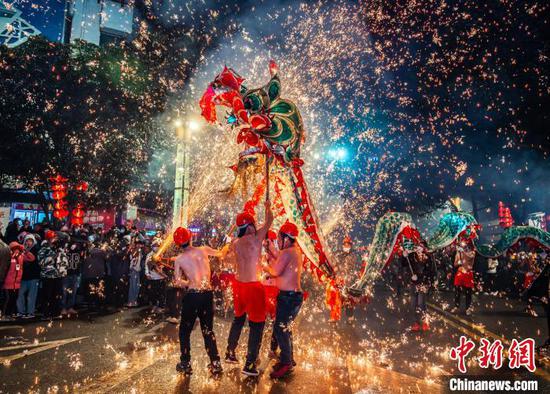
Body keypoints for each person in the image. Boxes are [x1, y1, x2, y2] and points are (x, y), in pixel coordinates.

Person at [225, 200, 273, 377]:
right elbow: (270, 221)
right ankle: (250, 364)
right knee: (257, 325)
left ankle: (230, 352)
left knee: (238, 319)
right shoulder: (256, 237)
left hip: (239, 286)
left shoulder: (236, 243)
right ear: (251, 226)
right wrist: (267, 207)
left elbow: (228, 260)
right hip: (253, 287)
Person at [172, 227, 223, 376]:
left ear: (177, 244)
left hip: (193, 296)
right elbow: (220, 253)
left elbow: (177, 282)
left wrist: (190, 282)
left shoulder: (179, 259)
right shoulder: (204, 250)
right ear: (191, 238)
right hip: (207, 295)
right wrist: (226, 247)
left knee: (184, 331)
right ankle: (215, 362)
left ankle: (185, 362)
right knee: (208, 330)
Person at [263, 221, 303, 379]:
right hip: (293, 297)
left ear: (286, 239)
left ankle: (286, 363)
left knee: (280, 329)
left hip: (288, 297)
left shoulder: (288, 253)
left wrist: (265, 268)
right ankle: (288, 358)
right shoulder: (294, 251)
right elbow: (281, 259)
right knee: (285, 328)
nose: (278, 241)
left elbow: (275, 271)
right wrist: (271, 249)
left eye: (279, 238)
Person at [38, 230, 68, 319]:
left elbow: (64, 261)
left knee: (57, 295)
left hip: (57, 275)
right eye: (52, 238)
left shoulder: (58, 248)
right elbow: (41, 263)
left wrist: (63, 270)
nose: (54, 239)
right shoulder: (43, 249)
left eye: (55, 238)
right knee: (47, 295)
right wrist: (54, 256)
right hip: (47, 276)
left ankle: (55, 312)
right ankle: (45, 314)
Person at [406, 246, 434, 332]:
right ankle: (416, 323)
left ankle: (425, 321)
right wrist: (404, 256)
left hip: (423, 283)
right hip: (413, 283)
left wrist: (419, 276)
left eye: (421, 247)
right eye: (417, 247)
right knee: (413, 305)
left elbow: (430, 271)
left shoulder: (428, 258)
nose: (418, 249)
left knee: (421, 303)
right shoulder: (411, 256)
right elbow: (405, 265)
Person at [2, 242, 34, 317]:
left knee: (14, 299)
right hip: (7, 283)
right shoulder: (8, 257)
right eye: (15, 249)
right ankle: (5, 314)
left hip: (17, 284)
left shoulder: (21, 257)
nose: (17, 250)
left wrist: (26, 251)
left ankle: (10, 314)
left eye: (18, 249)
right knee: (8, 300)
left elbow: (32, 258)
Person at [16, 234, 40, 318]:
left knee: (31, 296)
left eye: (30, 241)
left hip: (34, 277)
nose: (28, 242)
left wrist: (26, 251)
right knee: (20, 295)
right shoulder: (21, 251)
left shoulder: (36, 249)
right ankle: (21, 311)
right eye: (27, 240)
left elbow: (33, 258)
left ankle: (30, 312)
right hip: (23, 277)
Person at [61, 237, 85, 316]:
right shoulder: (66, 250)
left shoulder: (78, 251)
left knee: (73, 292)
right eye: (73, 243)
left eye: (75, 244)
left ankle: (70, 307)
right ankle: (63, 308)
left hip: (75, 274)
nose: (74, 245)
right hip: (66, 274)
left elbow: (81, 260)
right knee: (64, 293)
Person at [81, 241, 107, 312]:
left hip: (88, 275)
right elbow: (107, 257)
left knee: (90, 291)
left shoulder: (87, 251)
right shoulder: (101, 251)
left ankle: (90, 306)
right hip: (98, 275)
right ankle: (98, 306)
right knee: (98, 291)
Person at [451, 244, 476, 315]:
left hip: (468, 273)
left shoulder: (472, 252)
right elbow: (455, 264)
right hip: (460, 273)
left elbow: (469, 257)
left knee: (468, 292)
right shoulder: (459, 252)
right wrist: (458, 259)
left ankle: (468, 308)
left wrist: (462, 252)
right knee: (457, 291)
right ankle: (456, 306)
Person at [144, 241, 167, 313]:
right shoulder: (149, 255)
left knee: (161, 293)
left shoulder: (162, 254)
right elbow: (146, 265)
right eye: (155, 245)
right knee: (153, 293)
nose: (156, 247)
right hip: (153, 277)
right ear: (152, 246)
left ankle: (161, 306)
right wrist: (147, 274)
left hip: (161, 277)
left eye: (157, 246)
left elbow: (166, 264)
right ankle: (154, 306)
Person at [126, 240, 143, 307]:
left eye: (140, 245)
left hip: (137, 271)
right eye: (137, 245)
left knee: (137, 287)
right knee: (132, 287)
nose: (139, 246)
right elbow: (133, 261)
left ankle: (134, 301)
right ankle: (130, 302)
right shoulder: (133, 251)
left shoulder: (140, 252)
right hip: (133, 271)